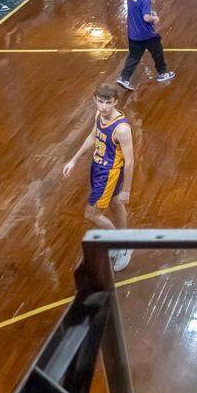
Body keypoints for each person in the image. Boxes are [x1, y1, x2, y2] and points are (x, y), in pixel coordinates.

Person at [61, 86, 135, 271]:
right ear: (95, 100)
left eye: (108, 102)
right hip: (97, 168)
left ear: (115, 102)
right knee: (115, 204)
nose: (103, 106)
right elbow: (94, 136)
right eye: (100, 102)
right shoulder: (99, 115)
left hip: (109, 174)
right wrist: (74, 159)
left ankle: (123, 245)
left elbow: (130, 161)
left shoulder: (122, 129)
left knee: (91, 214)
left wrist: (127, 189)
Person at [116, 0, 174, 91]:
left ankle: (124, 78)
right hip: (146, 35)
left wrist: (149, 13)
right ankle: (162, 73)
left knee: (133, 56)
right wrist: (155, 18)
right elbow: (146, 17)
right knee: (157, 51)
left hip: (133, 34)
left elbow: (137, 10)